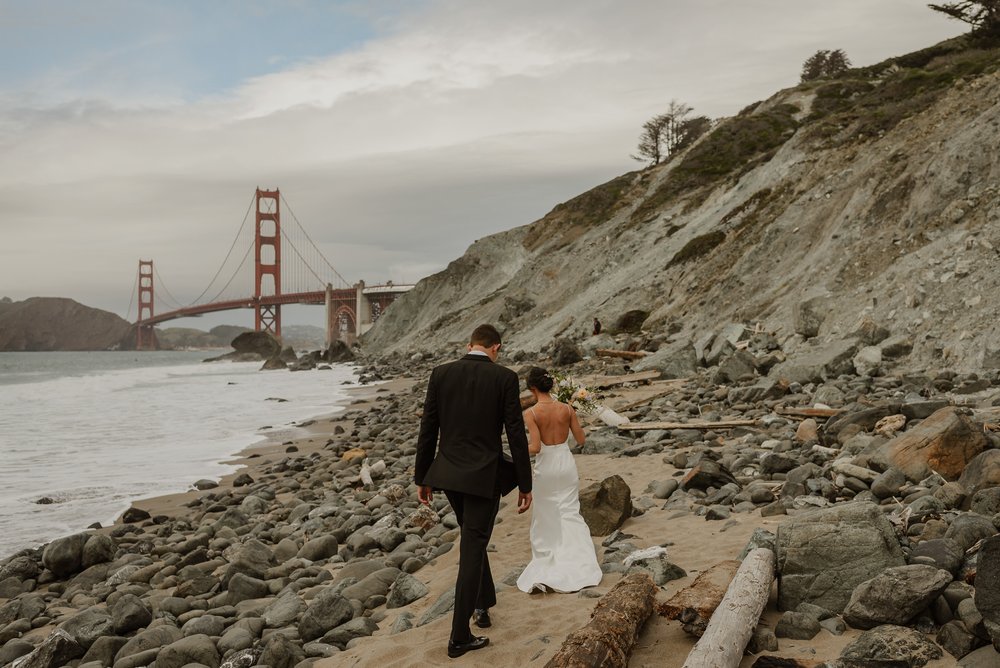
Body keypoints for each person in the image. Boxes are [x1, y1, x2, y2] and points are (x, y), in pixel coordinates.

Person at [415, 324, 533, 659]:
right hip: (483, 478)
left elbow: (429, 428)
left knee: (473, 536)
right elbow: (515, 434)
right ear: (496, 347)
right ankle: (459, 636)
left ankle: (483, 604)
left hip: (448, 475)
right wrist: (525, 483)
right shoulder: (505, 378)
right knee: (472, 546)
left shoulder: (441, 374)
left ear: (470, 345)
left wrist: (422, 476)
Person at [516, 367, 603, 594]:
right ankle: (579, 558)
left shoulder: (531, 414)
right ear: (552, 385)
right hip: (565, 462)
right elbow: (581, 440)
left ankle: (553, 554)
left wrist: (517, 450)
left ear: (532, 388)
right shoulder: (567, 408)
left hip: (546, 466)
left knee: (547, 513)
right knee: (570, 510)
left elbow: (535, 447)